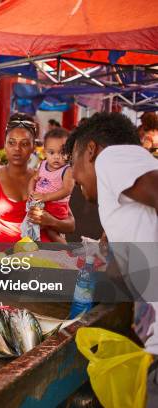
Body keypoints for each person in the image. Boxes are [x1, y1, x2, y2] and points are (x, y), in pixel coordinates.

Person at [64, 112, 158, 406]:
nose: (76, 181)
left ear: (90, 150)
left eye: (74, 166)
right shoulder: (122, 193)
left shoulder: (111, 157)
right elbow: (121, 275)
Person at [0, 113, 75, 243]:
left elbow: (71, 226)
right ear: (4, 145)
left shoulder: (44, 178)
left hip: (47, 256)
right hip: (8, 259)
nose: (17, 149)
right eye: (11, 142)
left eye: (24, 144)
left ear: (33, 147)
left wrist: (51, 221)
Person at [27, 128, 75, 243]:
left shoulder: (67, 170)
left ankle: (66, 249)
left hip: (56, 206)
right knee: (33, 227)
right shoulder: (43, 165)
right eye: (51, 152)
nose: (57, 157)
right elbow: (33, 180)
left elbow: (67, 190)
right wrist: (30, 192)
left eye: (62, 152)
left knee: (51, 232)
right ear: (44, 152)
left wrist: (46, 197)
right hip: (41, 203)